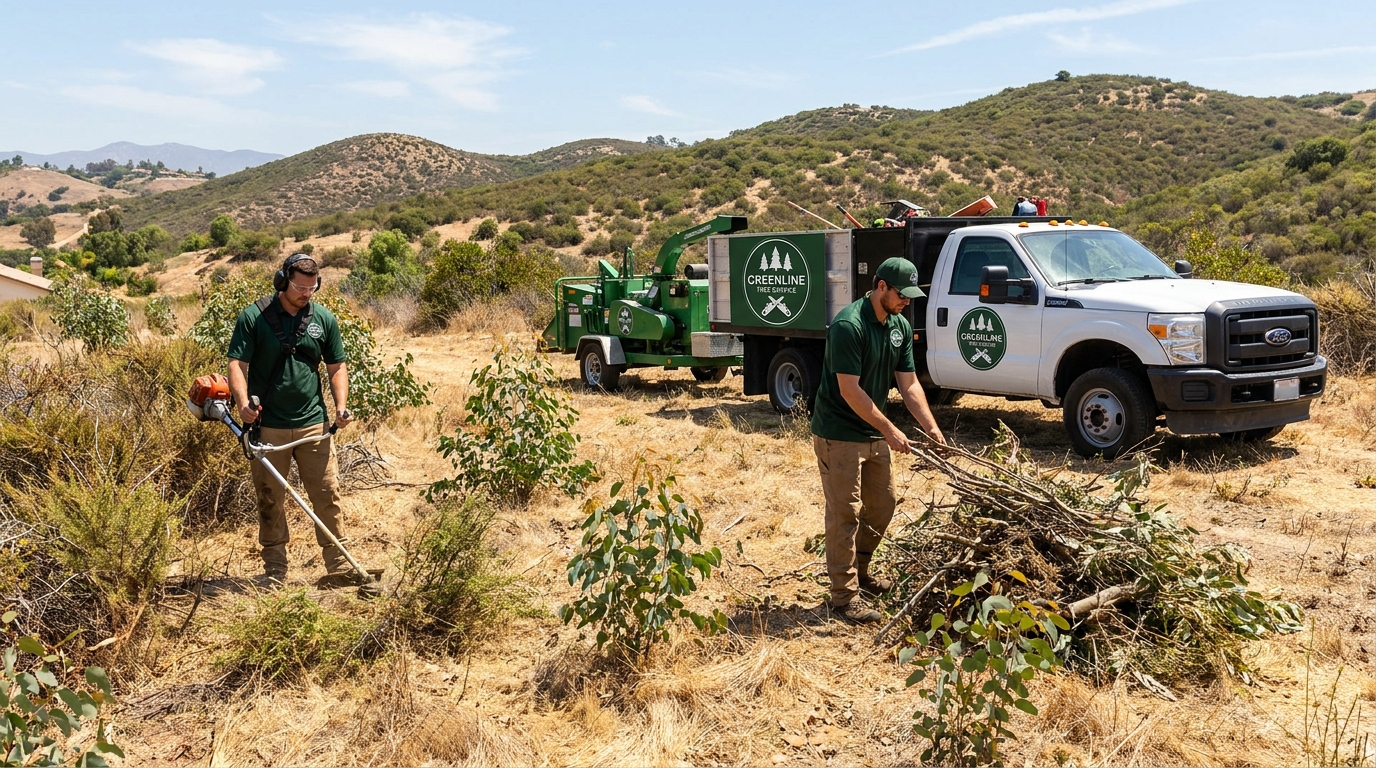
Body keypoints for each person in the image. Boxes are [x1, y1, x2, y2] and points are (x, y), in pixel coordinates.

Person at [810, 257, 946, 623]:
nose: (907, 302)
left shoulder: (899, 325)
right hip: (839, 433)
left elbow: (909, 384)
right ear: (881, 286)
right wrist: (889, 429)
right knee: (844, 513)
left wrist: (932, 429)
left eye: (911, 296)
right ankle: (844, 597)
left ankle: (861, 572)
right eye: (902, 295)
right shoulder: (849, 326)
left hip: (872, 431)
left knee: (883, 504)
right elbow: (850, 390)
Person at [227, 253, 353, 585]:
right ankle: (275, 570)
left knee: (327, 495)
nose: (306, 294)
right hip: (268, 427)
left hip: (314, 424)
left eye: (312, 288)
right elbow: (237, 364)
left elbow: (337, 366)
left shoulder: (323, 319)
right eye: (300, 288)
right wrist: (242, 403)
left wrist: (341, 407)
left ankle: (339, 566)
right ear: (282, 282)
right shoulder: (254, 317)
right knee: (270, 499)